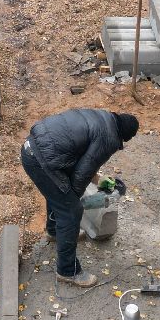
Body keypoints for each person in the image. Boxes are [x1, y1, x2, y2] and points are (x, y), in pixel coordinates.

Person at [20, 108, 140, 287]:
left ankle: (54, 232)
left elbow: (80, 155)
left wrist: (98, 179)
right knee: (70, 210)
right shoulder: (111, 138)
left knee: (59, 193)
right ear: (124, 137)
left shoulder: (103, 118)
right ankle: (67, 271)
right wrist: (73, 203)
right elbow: (81, 175)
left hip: (33, 147)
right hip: (41, 160)